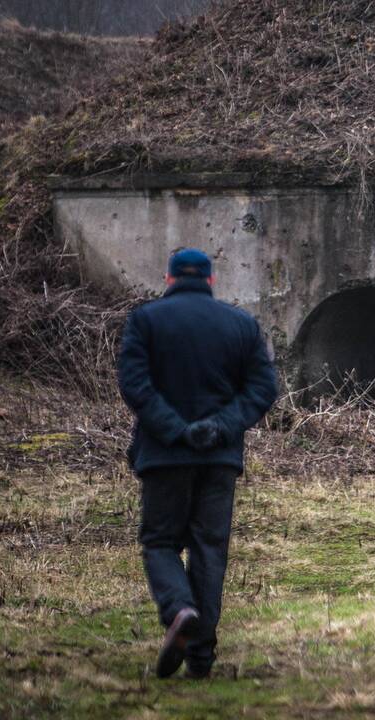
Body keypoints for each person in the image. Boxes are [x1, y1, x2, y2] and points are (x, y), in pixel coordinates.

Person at [117, 248, 277, 679]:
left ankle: (179, 609)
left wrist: (176, 430)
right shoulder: (240, 324)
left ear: (168, 279)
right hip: (218, 459)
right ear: (211, 281)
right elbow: (263, 388)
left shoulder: (145, 321)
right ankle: (201, 658)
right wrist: (220, 428)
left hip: (165, 455)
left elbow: (135, 385)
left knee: (161, 542)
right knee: (209, 551)